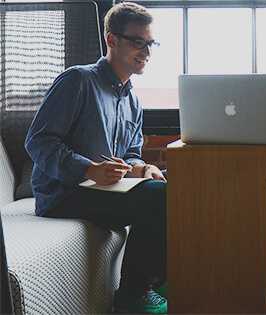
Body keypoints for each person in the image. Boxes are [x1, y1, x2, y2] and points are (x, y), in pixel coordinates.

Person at [25, 2, 168, 314]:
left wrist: (143, 167)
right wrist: (88, 168)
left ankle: (163, 281)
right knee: (159, 198)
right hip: (63, 194)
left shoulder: (132, 100)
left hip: (103, 192)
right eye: (137, 42)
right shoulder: (77, 80)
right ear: (112, 40)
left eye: (150, 43)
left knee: (168, 187)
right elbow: (38, 141)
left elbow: (130, 153)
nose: (146, 51)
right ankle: (133, 294)